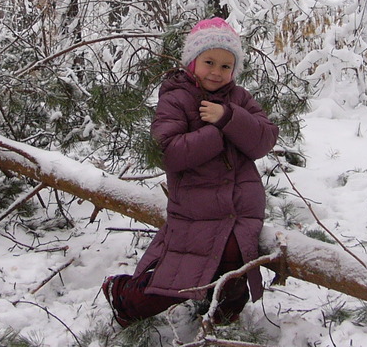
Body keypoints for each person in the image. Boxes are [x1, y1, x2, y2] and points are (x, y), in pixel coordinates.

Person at [102, 17, 279, 328]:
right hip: (198, 208)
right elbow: (168, 152)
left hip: (241, 208)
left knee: (237, 260)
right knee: (183, 275)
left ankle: (223, 317)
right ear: (192, 61)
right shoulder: (177, 97)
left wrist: (229, 118)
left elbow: (264, 139)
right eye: (209, 61)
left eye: (226, 66)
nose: (217, 71)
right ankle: (126, 298)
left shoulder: (239, 99)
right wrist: (218, 133)